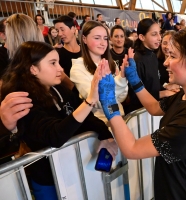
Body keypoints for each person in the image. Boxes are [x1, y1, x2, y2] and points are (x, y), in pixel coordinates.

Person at [98, 26, 186, 200]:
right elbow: (154, 107)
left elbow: (132, 149)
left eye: (173, 56)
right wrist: (135, 80)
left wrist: (110, 103)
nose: (165, 62)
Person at [1, 41, 117, 200]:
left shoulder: (58, 88)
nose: (60, 69)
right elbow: (55, 135)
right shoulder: (23, 99)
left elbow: (86, 118)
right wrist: (90, 100)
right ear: (33, 68)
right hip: (48, 178)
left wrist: (105, 135)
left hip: (73, 171)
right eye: (53, 63)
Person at [70, 21, 128, 123]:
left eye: (105, 38)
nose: (103, 43)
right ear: (84, 39)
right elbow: (96, 101)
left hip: (120, 117)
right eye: (97, 38)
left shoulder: (111, 64)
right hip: (101, 124)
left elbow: (122, 97)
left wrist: (122, 78)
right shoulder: (78, 68)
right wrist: (119, 82)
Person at [124, 18, 175, 114]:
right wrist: (163, 93)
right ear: (142, 37)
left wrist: (167, 88)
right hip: (141, 111)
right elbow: (136, 95)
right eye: (154, 34)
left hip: (153, 108)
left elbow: (154, 84)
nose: (159, 38)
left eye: (159, 33)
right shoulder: (137, 60)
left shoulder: (152, 55)